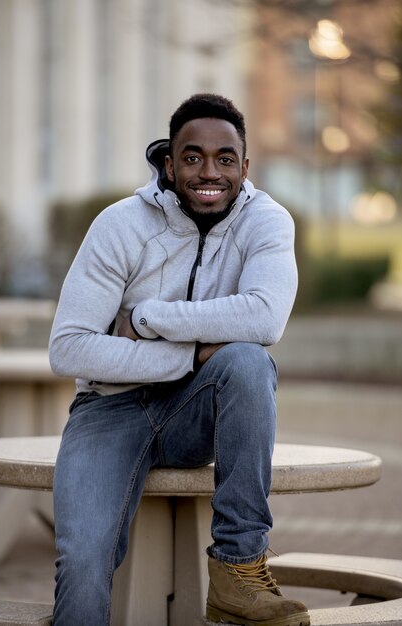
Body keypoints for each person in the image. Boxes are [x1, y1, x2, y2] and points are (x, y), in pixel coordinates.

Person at [49, 93, 310, 626]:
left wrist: (147, 319)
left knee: (246, 363)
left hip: (195, 413)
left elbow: (264, 320)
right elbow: (69, 347)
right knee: (81, 566)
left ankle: (238, 569)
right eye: (192, 157)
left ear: (244, 165)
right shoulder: (120, 224)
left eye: (224, 158)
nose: (208, 171)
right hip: (108, 410)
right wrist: (191, 356)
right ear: (169, 163)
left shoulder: (267, 221)